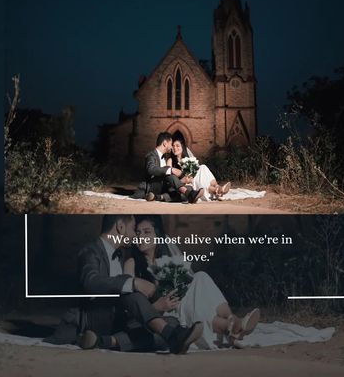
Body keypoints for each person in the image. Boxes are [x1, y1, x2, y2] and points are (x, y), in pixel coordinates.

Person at [45, 215, 203, 354]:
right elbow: (90, 282)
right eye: (134, 229)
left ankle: (103, 341)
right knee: (130, 291)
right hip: (94, 315)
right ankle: (171, 335)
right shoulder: (90, 251)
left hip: (119, 318)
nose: (136, 235)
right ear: (120, 227)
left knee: (172, 323)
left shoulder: (120, 255)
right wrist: (132, 282)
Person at [125, 215, 260, 350]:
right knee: (194, 304)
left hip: (181, 301)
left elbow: (188, 276)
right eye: (138, 233)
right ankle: (234, 327)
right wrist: (158, 306)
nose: (141, 237)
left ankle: (230, 320)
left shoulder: (167, 251)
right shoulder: (131, 263)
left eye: (147, 232)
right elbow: (132, 303)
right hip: (162, 314)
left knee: (200, 277)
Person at [144, 132, 204, 203]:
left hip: (164, 187)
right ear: (165, 143)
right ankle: (187, 193)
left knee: (189, 188)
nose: (172, 147)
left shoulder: (165, 158)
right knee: (170, 174)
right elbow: (150, 169)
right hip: (153, 186)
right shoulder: (151, 155)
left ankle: (158, 197)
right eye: (171, 144)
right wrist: (170, 170)